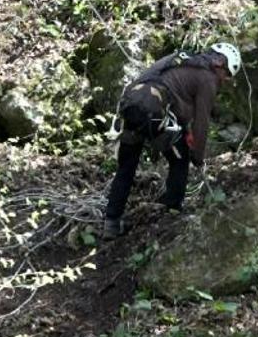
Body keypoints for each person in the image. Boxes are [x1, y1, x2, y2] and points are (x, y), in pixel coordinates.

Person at [103, 42, 241, 239]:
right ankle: (172, 212)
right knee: (180, 160)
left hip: (131, 106)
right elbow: (202, 122)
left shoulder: (181, 59)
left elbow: (173, 98)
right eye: (226, 74)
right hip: (154, 111)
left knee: (126, 168)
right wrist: (198, 156)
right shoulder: (207, 77)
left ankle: (111, 223)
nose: (225, 80)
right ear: (220, 63)